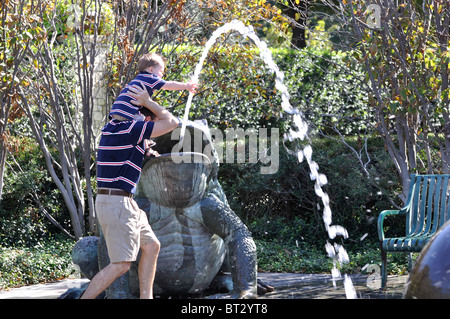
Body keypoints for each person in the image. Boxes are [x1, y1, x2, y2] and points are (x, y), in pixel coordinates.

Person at [81, 84, 180, 299]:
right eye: (153, 124)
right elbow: (172, 122)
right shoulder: (129, 129)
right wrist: (149, 102)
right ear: (146, 120)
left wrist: (145, 149)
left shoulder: (118, 130)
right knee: (121, 265)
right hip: (117, 203)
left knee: (152, 246)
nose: (154, 129)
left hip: (123, 202)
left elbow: (129, 153)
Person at [110, 52, 197, 121]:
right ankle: (146, 141)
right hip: (128, 112)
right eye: (161, 71)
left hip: (116, 111)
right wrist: (186, 85)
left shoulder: (138, 79)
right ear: (151, 69)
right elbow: (169, 85)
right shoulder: (151, 78)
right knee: (145, 123)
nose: (162, 75)